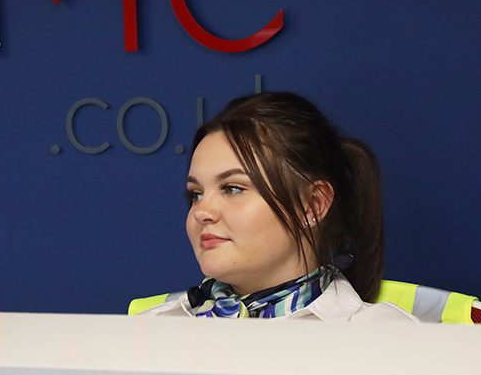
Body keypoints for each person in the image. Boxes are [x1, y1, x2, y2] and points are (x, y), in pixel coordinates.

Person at [135, 92, 417, 322]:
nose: (201, 212)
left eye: (233, 188)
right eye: (196, 193)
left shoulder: (387, 340)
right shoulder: (149, 329)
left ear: (312, 205)